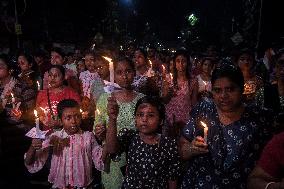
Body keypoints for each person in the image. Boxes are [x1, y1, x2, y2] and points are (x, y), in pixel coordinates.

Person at [179, 64, 273, 188]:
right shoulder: (204, 109)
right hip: (197, 183)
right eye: (218, 90)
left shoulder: (257, 119)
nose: (223, 96)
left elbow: (269, 164)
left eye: (230, 89)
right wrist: (191, 149)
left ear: (242, 88)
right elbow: (181, 148)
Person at [24, 99, 106, 189]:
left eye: (77, 116)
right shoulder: (54, 137)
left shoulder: (88, 137)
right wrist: (33, 147)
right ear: (60, 120)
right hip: (60, 186)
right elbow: (29, 162)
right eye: (68, 118)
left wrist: (104, 138)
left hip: (83, 186)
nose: (73, 121)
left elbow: (101, 160)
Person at [106, 96, 181, 189]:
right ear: (135, 118)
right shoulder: (129, 136)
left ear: (161, 121)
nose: (144, 119)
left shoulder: (168, 144)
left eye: (150, 115)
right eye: (140, 114)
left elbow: (172, 177)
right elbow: (111, 149)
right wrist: (112, 119)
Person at [94, 57, 144, 189]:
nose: (125, 76)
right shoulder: (105, 99)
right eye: (119, 72)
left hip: (137, 156)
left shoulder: (142, 99)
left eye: (128, 71)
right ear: (114, 75)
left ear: (134, 73)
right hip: (113, 158)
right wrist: (100, 131)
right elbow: (98, 129)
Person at [0, 54, 36, 188]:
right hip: (2, 140)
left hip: (18, 140)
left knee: (18, 178)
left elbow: (33, 115)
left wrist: (22, 115)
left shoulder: (23, 87)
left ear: (10, 69)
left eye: (0, 66)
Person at [163, 49, 198, 134]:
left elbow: (194, 103)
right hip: (171, 117)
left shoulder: (193, 81)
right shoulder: (168, 79)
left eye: (184, 61)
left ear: (188, 63)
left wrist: (195, 119)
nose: (181, 64)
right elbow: (164, 100)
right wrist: (169, 94)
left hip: (186, 118)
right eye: (178, 61)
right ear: (174, 63)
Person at [36, 65, 81, 131]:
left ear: (63, 77)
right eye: (50, 75)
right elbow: (38, 111)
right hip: (47, 131)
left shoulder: (72, 93)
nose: (52, 78)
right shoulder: (42, 93)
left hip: (67, 132)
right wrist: (45, 121)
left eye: (56, 75)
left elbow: (78, 114)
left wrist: (61, 122)